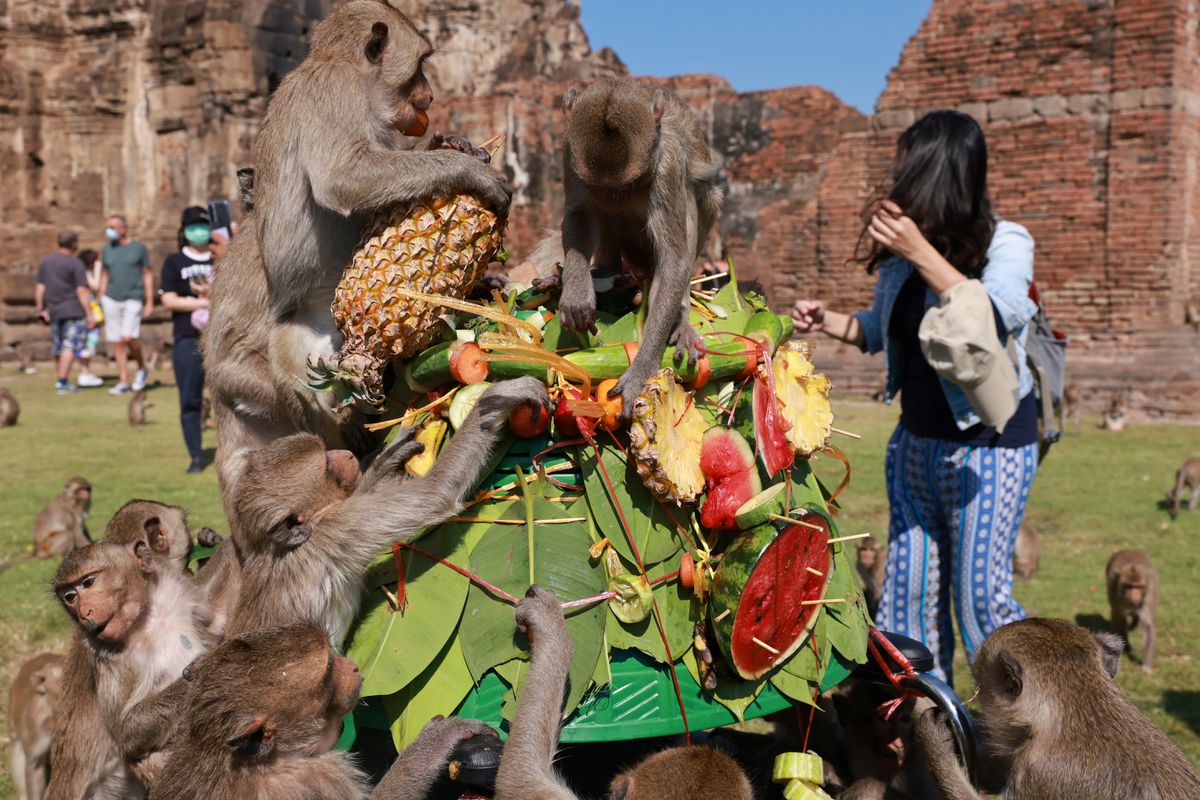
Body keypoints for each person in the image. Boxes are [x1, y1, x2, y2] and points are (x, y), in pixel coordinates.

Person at [790, 110, 1039, 683]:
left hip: (989, 450)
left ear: (939, 172)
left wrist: (920, 249)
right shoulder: (903, 260)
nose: (895, 179)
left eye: (906, 166)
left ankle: (1035, 742)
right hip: (914, 448)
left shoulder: (1007, 242)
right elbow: (880, 330)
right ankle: (929, 745)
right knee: (908, 600)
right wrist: (826, 319)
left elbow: (994, 317)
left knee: (984, 609)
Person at [159, 207, 214, 474]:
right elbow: (168, 300)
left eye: (203, 225)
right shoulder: (174, 262)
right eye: (193, 226)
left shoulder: (222, 257)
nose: (199, 231)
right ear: (184, 230)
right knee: (190, 399)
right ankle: (195, 455)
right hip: (187, 338)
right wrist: (205, 301)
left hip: (220, 337)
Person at [35, 231, 97, 394]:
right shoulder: (75, 263)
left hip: (53, 310)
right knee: (69, 346)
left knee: (58, 346)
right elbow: (81, 290)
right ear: (74, 244)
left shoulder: (46, 262)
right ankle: (62, 382)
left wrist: (40, 309)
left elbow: (40, 287)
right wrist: (90, 314)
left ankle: (62, 378)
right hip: (73, 311)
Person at [100, 214, 153, 395]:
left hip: (133, 296)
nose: (109, 231)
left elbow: (147, 273)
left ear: (123, 229)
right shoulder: (107, 249)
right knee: (117, 343)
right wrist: (101, 295)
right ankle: (123, 380)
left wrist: (150, 301)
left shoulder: (138, 248)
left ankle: (142, 367)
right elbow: (105, 273)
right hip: (111, 298)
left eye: (112, 227)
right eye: (108, 227)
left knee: (128, 337)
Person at [73, 248, 105, 388]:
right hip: (87, 313)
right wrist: (98, 268)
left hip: (88, 312)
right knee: (88, 344)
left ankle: (86, 372)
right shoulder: (83, 273)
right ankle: (84, 373)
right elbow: (96, 286)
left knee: (87, 345)